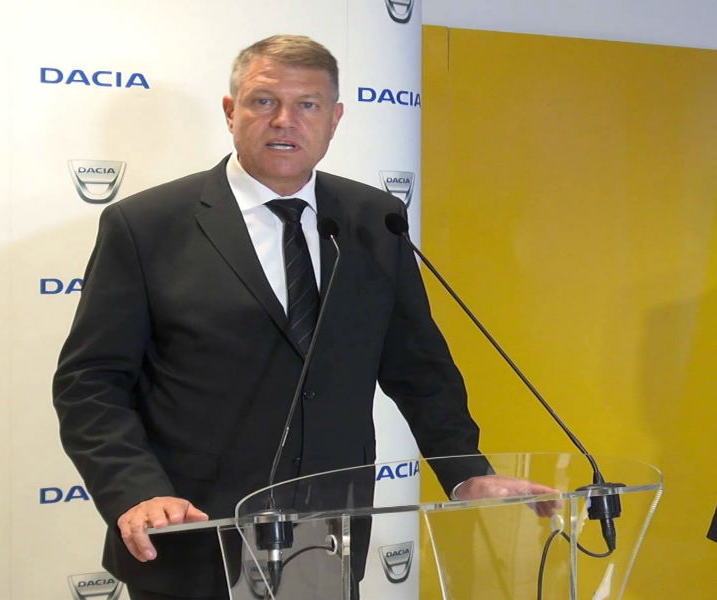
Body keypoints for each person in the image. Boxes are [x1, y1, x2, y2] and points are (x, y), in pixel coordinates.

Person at [53, 34, 555, 600]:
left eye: (307, 104)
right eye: (263, 101)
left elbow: (418, 366)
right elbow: (90, 382)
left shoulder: (374, 219)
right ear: (231, 112)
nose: (284, 120)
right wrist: (137, 491)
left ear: (335, 119)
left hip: (328, 539)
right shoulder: (146, 224)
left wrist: (466, 472)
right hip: (193, 535)